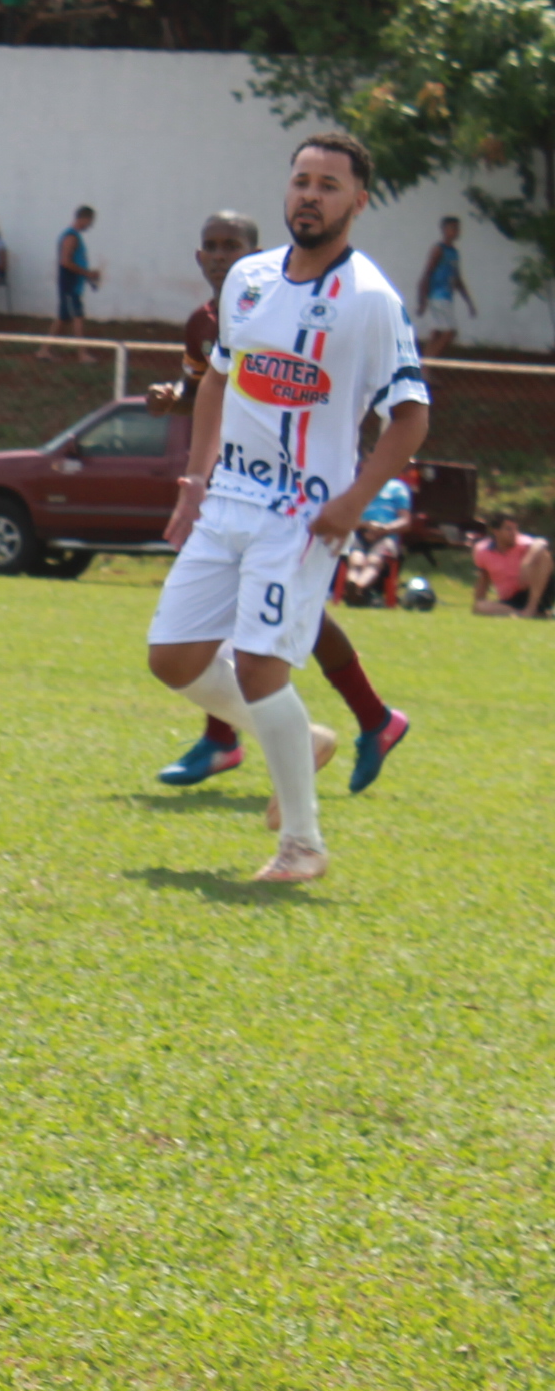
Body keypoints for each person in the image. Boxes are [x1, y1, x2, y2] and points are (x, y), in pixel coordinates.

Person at [148, 131, 430, 885]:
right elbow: (218, 378)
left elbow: (410, 416)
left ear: (358, 202)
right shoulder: (247, 278)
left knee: (260, 667)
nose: (310, 195)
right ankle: (298, 740)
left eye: (329, 185)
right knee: (172, 658)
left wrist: (354, 502)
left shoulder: (370, 299)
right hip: (228, 502)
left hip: (302, 515)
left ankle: (302, 846)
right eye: (302, 180)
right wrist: (196, 480)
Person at [338, 470, 414, 606]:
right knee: (356, 559)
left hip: (387, 535)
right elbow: (347, 517)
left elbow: (405, 521)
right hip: (360, 532)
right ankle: (354, 587)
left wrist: (384, 529)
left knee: (374, 560)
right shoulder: (360, 486)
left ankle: (357, 588)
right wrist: (366, 525)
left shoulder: (397, 488)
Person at [470, 511, 551, 617]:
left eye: (515, 529)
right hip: (510, 599)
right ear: (496, 531)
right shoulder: (483, 550)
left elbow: (541, 543)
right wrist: (479, 603)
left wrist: (526, 562)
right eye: (509, 529)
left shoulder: (522, 542)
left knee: (543, 555)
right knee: (480, 606)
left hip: (533, 592)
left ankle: (531, 608)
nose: (514, 533)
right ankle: (524, 614)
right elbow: (484, 579)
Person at [415, 215, 474, 357]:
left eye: (458, 229)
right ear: (444, 230)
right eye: (453, 228)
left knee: (437, 332)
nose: (456, 231)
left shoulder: (454, 252)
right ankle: (427, 365)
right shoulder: (438, 249)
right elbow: (427, 274)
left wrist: (469, 302)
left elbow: (457, 279)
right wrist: (422, 300)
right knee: (450, 332)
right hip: (437, 296)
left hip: (447, 297)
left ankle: (424, 364)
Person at [52, 205, 101, 338]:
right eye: (90, 221)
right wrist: (87, 273)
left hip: (72, 284)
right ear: (84, 219)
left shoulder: (74, 236)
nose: (90, 225)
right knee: (76, 317)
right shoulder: (71, 237)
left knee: (65, 318)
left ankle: (45, 348)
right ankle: (81, 349)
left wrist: (88, 274)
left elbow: (74, 262)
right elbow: (66, 262)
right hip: (70, 284)